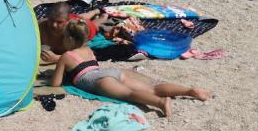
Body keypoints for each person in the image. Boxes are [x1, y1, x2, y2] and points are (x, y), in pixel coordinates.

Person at [50, 20, 211, 116]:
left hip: (97, 80)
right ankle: (189, 91)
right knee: (153, 85)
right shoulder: (88, 50)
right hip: (108, 72)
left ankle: (160, 102)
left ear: (69, 39)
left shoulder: (66, 56)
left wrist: (57, 69)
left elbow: (55, 84)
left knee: (129, 94)